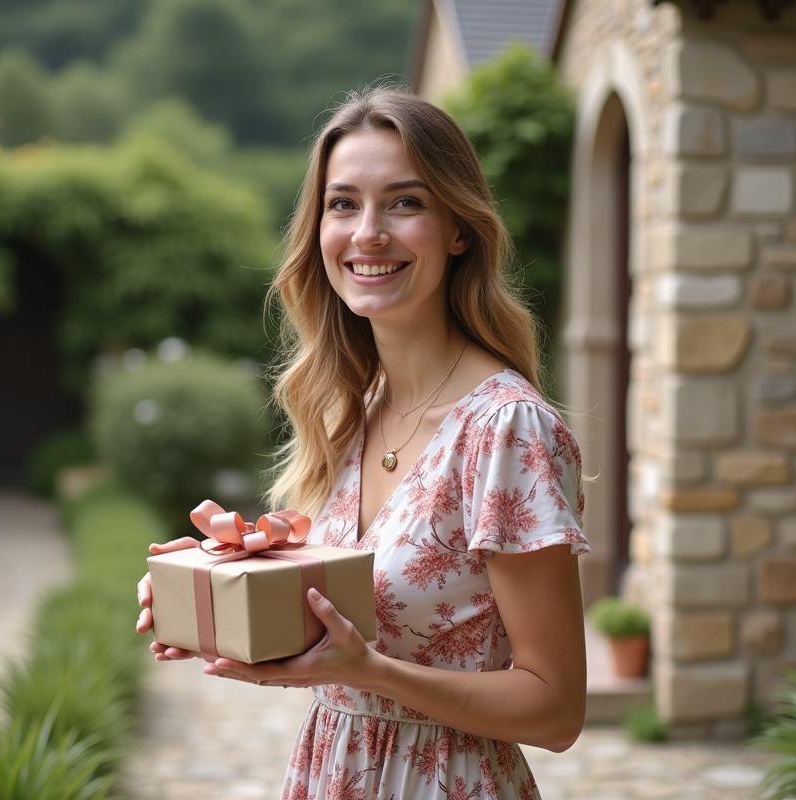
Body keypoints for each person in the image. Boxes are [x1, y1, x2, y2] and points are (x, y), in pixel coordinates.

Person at [136, 87, 589, 800]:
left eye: (405, 203)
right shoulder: (351, 408)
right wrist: (214, 591)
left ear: (458, 229)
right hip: (334, 773)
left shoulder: (506, 431)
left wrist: (367, 670)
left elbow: (557, 709)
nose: (367, 232)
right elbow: (342, 625)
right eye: (343, 204)